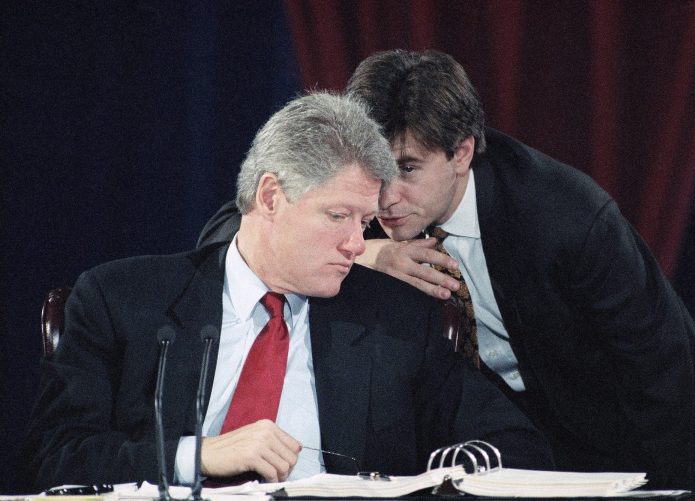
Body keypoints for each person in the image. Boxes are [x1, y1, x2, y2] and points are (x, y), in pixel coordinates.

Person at [197, 50, 695, 490]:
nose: (385, 197)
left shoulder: (566, 217)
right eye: (376, 171)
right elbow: (230, 232)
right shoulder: (362, 211)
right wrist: (370, 251)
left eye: (407, 169)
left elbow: (664, 367)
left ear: (461, 153)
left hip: (606, 437)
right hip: (461, 444)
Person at [18, 92, 553, 491]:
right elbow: (55, 458)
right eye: (338, 215)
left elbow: (512, 440)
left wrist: (448, 473)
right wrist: (196, 456)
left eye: (365, 219)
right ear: (270, 196)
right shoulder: (122, 300)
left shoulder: (396, 319)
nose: (356, 243)